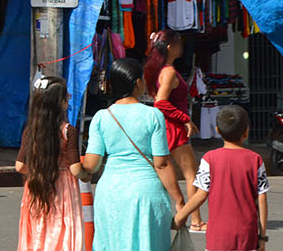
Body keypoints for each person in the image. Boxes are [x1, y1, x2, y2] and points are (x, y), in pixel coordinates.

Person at [81, 58, 185, 251]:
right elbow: (161, 164)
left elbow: (92, 164)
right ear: (138, 83)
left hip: (110, 193)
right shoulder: (153, 115)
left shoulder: (101, 118)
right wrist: (179, 199)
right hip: (145, 193)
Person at [174, 105, 269, 251]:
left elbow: (200, 195)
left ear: (217, 131)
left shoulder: (209, 159)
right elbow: (262, 199)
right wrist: (262, 237)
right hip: (247, 234)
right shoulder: (255, 160)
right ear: (246, 132)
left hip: (218, 236)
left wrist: (179, 217)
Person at [15, 75, 87, 251]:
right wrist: (88, 174)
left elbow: (20, 166)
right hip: (63, 189)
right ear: (60, 103)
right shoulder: (68, 131)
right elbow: (75, 169)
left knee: (38, 231)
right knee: (62, 230)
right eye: (66, 96)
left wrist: (40, 168)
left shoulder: (31, 131)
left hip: (36, 186)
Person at [144, 29, 205, 231]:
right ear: (170, 47)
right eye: (179, 44)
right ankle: (195, 220)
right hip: (174, 128)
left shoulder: (161, 70)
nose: (182, 48)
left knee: (168, 172)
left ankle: (183, 211)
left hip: (167, 126)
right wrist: (185, 119)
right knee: (191, 174)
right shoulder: (169, 71)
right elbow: (161, 102)